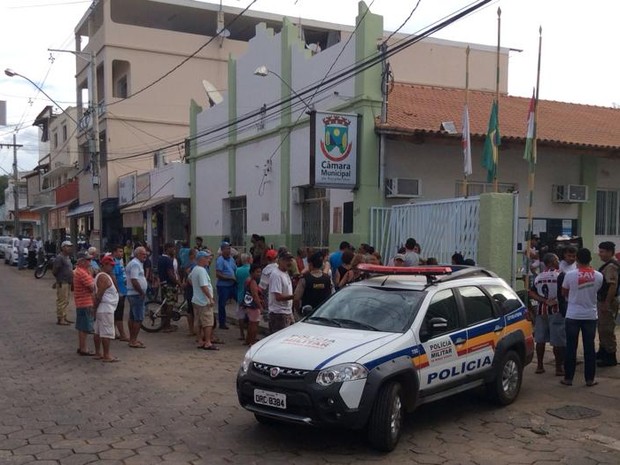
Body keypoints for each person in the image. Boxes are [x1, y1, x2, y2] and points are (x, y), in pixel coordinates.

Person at [560, 248, 603, 387]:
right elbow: (597, 291)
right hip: (590, 315)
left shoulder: (569, 275)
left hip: (572, 315)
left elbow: (564, 293)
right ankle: (589, 379)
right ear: (590, 259)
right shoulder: (598, 276)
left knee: (571, 347)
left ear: (577, 259)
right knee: (589, 348)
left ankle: (568, 378)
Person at [528, 253, 566, 376]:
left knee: (540, 339)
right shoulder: (560, 275)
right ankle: (559, 368)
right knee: (558, 340)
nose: (558, 261)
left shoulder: (539, 277)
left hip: (541, 309)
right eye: (557, 259)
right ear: (551, 262)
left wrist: (543, 300)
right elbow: (565, 291)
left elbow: (530, 292)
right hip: (556, 309)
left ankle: (539, 365)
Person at [188, 251, 218, 351]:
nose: (209, 260)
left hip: (196, 299)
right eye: (207, 258)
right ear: (201, 259)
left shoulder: (195, 269)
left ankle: (200, 340)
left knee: (198, 321)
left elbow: (189, 279)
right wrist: (210, 298)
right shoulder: (201, 270)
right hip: (203, 301)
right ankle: (208, 342)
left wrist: (195, 288)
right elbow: (204, 286)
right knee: (208, 322)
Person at [93, 255, 120, 362]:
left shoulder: (104, 276)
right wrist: (94, 308)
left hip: (104, 307)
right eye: (110, 265)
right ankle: (106, 355)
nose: (112, 267)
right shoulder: (103, 277)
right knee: (106, 332)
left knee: (98, 331)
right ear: (104, 265)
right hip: (106, 308)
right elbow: (99, 295)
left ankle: (98, 352)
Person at [596, 241, 619, 367]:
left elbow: (612, 286)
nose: (600, 254)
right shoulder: (607, 265)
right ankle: (603, 351)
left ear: (610, 252)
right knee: (602, 328)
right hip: (602, 300)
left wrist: (606, 303)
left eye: (602, 251)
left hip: (607, 301)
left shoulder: (611, 266)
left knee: (607, 328)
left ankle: (610, 356)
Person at [293, 252, 332, 318]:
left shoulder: (304, 279)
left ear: (310, 264)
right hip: (322, 314)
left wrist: (298, 311)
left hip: (307, 314)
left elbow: (296, 298)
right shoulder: (327, 279)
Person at [73, 251, 96, 356]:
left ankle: (82, 346)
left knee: (82, 326)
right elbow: (92, 287)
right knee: (84, 327)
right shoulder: (82, 272)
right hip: (85, 302)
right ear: (81, 261)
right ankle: (84, 348)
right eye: (88, 260)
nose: (90, 262)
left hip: (82, 302)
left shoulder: (80, 271)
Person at [126, 246, 148, 349]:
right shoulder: (135, 264)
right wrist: (141, 292)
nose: (145, 255)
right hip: (136, 294)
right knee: (138, 318)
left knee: (133, 317)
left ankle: (132, 339)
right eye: (143, 254)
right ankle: (133, 340)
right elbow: (134, 280)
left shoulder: (136, 263)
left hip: (133, 294)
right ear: (137, 254)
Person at [268, 251, 295, 333]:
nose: (289, 262)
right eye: (286, 260)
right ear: (279, 261)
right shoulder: (276, 275)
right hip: (278, 314)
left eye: (290, 260)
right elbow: (278, 297)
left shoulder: (285, 273)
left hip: (287, 312)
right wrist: (294, 296)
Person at [158, 242, 181, 332]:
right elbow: (171, 274)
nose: (174, 251)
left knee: (164, 304)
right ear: (168, 249)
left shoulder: (160, 258)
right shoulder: (168, 260)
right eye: (173, 249)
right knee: (169, 305)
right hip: (169, 285)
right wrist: (178, 283)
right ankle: (167, 325)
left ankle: (163, 323)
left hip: (163, 283)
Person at [215, 241, 237, 330]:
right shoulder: (220, 260)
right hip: (223, 286)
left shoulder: (231, 259)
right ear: (223, 250)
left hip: (233, 285)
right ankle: (222, 323)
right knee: (222, 304)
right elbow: (218, 274)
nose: (229, 250)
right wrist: (229, 278)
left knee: (240, 300)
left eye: (229, 248)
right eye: (227, 248)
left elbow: (235, 269)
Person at [52, 240, 74, 325]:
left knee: (66, 300)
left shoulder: (67, 257)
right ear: (63, 247)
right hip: (62, 282)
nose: (69, 248)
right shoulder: (59, 257)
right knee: (62, 300)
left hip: (68, 282)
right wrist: (59, 278)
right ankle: (60, 318)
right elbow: (55, 270)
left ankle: (64, 316)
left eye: (70, 246)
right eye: (67, 246)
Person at [110, 245, 129, 341]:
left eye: (122, 251)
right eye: (120, 251)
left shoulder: (119, 262)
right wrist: (117, 291)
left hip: (122, 290)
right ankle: (122, 334)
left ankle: (113, 332)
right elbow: (113, 277)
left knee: (116, 313)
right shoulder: (114, 263)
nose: (122, 253)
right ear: (114, 252)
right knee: (118, 314)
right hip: (119, 291)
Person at [242, 263, 263, 346]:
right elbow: (255, 295)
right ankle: (252, 341)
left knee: (251, 323)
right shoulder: (253, 282)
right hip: (253, 305)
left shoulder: (248, 280)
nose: (259, 274)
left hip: (248, 304)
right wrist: (260, 306)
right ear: (252, 272)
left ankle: (248, 340)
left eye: (260, 272)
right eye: (257, 272)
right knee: (254, 324)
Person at [235, 253, 252, 341]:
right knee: (251, 316)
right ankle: (250, 335)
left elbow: (236, 281)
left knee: (240, 316)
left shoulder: (238, 270)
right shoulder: (251, 270)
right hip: (250, 295)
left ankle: (242, 334)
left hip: (240, 294)